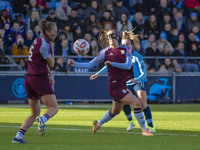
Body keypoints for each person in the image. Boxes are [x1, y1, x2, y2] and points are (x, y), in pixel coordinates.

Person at [68, 29, 153, 136]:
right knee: (136, 103)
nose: (110, 38)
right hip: (114, 86)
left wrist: (112, 63)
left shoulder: (126, 49)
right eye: (108, 37)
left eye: (112, 35)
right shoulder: (105, 52)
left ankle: (98, 123)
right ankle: (144, 130)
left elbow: (127, 65)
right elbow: (90, 64)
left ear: (117, 37)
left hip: (122, 84)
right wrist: (75, 63)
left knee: (115, 111)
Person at [90, 30, 156, 132]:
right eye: (124, 44)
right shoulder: (121, 54)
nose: (126, 45)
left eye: (128, 44)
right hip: (126, 83)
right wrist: (98, 73)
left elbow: (144, 74)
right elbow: (110, 65)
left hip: (138, 81)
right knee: (120, 106)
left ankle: (150, 127)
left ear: (132, 44)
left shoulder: (137, 56)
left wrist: (136, 79)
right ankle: (130, 122)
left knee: (142, 103)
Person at [12, 19, 58, 143]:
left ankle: (18, 137)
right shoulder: (45, 44)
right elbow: (52, 63)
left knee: (34, 113)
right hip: (38, 77)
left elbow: (41, 61)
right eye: (54, 32)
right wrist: (52, 48)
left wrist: (51, 76)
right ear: (47, 31)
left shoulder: (37, 41)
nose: (56, 34)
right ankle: (43, 120)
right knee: (53, 107)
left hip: (29, 78)